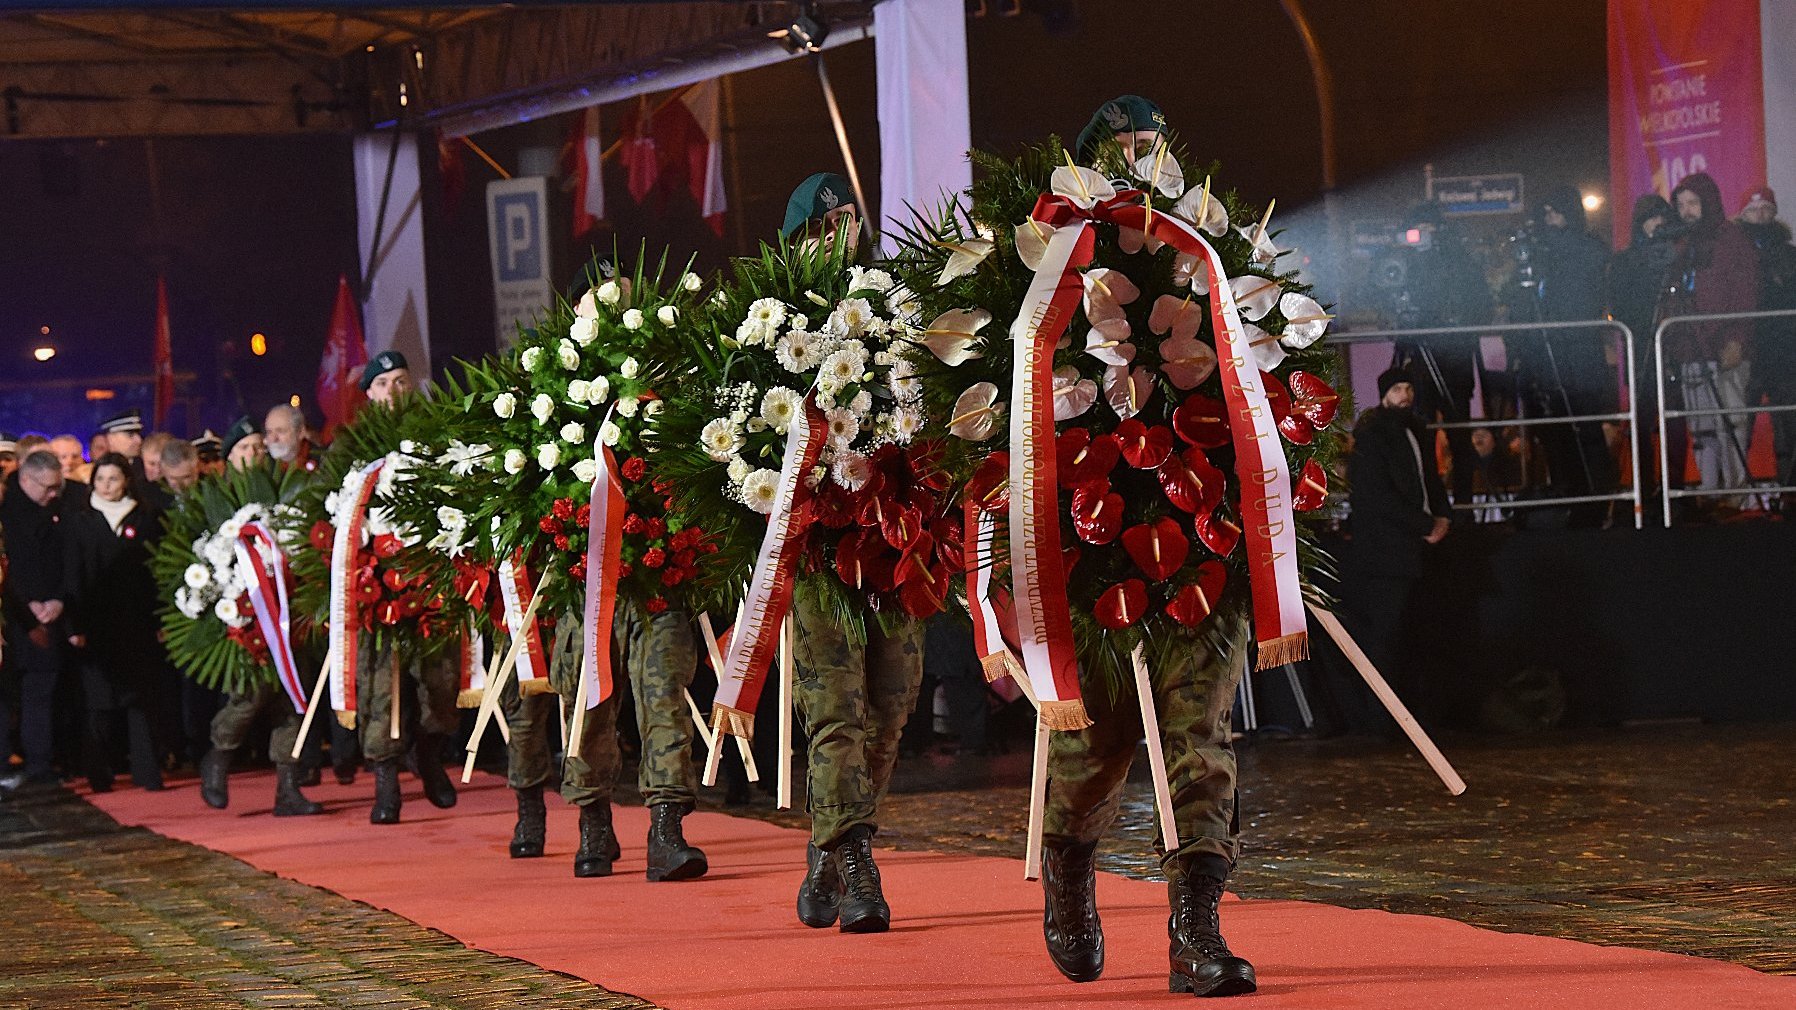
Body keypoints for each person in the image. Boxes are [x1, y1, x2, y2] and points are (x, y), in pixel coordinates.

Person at [1031, 98, 1259, 999]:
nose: (1140, 159)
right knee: (1104, 746)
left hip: (1204, 535)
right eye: (1121, 148)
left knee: (1198, 734)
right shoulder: (1053, 259)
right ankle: (1068, 871)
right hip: (1094, 545)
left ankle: (1194, 930)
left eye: (1151, 144)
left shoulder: (1211, 250)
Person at [778, 173, 928, 935]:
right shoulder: (776, 324)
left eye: (848, 219)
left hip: (891, 544)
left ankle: (828, 849)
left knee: (892, 706)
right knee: (835, 712)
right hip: (818, 549)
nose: (840, 232)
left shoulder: (893, 308)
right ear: (800, 238)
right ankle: (862, 864)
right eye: (824, 223)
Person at [197, 449, 324, 818]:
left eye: (257, 445)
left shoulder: (286, 495)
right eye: (243, 448)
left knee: (291, 705)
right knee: (247, 699)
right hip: (242, 619)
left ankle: (288, 787)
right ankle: (217, 757)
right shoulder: (218, 496)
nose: (252, 453)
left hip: (287, 617)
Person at [1341, 369, 1451, 730]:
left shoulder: (1415, 432)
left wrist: (1442, 516)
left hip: (1412, 550)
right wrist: (1427, 524)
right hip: (1387, 554)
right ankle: (1383, 720)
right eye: (1397, 388)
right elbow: (1378, 498)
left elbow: (1428, 481)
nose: (1405, 395)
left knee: (1416, 634)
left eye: (1408, 387)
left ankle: (1413, 716)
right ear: (1384, 393)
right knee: (1386, 636)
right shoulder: (1374, 437)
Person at [65, 454, 163, 792]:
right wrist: (74, 626)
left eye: (114, 479)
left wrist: (160, 619)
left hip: (137, 623)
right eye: (101, 479)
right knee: (99, 702)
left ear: (127, 481)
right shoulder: (79, 521)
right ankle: (99, 775)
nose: (107, 486)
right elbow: (72, 576)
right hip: (95, 624)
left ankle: (148, 773)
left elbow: (156, 573)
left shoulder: (145, 518)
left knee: (142, 700)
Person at [1660, 172, 1760, 505]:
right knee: (1701, 427)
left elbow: (1745, 293)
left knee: (1730, 422)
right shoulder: (1681, 246)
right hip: (1691, 349)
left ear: (1708, 203)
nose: (1686, 211)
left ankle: (1737, 492)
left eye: (1693, 203)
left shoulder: (1731, 239)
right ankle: (1710, 488)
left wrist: (1737, 338)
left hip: (1724, 347)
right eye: (1682, 204)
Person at [1524, 184, 1620, 511]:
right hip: (1547, 355)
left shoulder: (1588, 248)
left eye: (1556, 211)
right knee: (1556, 430)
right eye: (1545, 213)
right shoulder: (1542, 253)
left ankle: (1598, 496)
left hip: (1581, 352)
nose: (1550, 219)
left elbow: (1586, 287)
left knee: (1587, 427)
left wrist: (1552, 246)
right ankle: (1569, 492)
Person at [0, 451, 76, 784]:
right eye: (47, 487)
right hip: (13, 617)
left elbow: (67, 560)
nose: (53, 494)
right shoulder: (8, 513)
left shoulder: (58, 509)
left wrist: (58, 600)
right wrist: (29, 611)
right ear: (26, 479)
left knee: (41, 693)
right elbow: (9, 569)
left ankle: (40, 763)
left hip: (47, 612)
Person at [1608, 194, 1680, 490]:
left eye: (1662, 216)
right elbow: (1618, 304)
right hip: (1641, 348)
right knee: (1641, 421)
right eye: (1651, 217)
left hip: (1674, 347)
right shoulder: (1625, 261)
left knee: (1675, 420)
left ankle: (1674, 485)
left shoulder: (1677, 256)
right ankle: (1645, 488)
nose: (1657, 223)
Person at [1737, 187, 1796, 486]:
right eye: (1752, 209)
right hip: (1743, 350)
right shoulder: (1731, 252)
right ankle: (1734, 491)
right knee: (1737, 425)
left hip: (1784, 351)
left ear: (1774, 212)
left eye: (1765, 208)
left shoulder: (1789, 254)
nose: (1759, 215)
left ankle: (1790, 489)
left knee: (1787, 425)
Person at [263, 404, 323, 473]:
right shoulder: (263, 467)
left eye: (280, 431)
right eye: (269, 432)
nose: (273, 439)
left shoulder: (323, 461)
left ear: (300, 432)